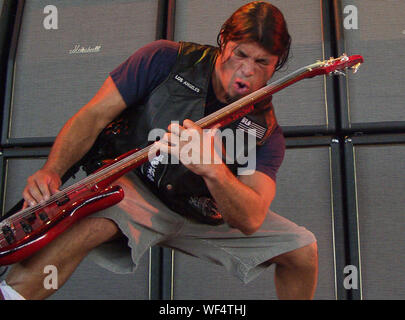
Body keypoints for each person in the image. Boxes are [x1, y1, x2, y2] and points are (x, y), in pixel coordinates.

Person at [0, 1, 318, 300]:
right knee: (89, 220)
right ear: (224, 40)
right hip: (137, 189)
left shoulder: (266, 132)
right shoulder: (165, 59)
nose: (247, 71)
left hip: (206, 212)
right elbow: (93, 116)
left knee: (303, 249)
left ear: (278, 65)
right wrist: (51, 170)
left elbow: (249, 219)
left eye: (262, 62)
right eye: (240, 54)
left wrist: (214, 171)